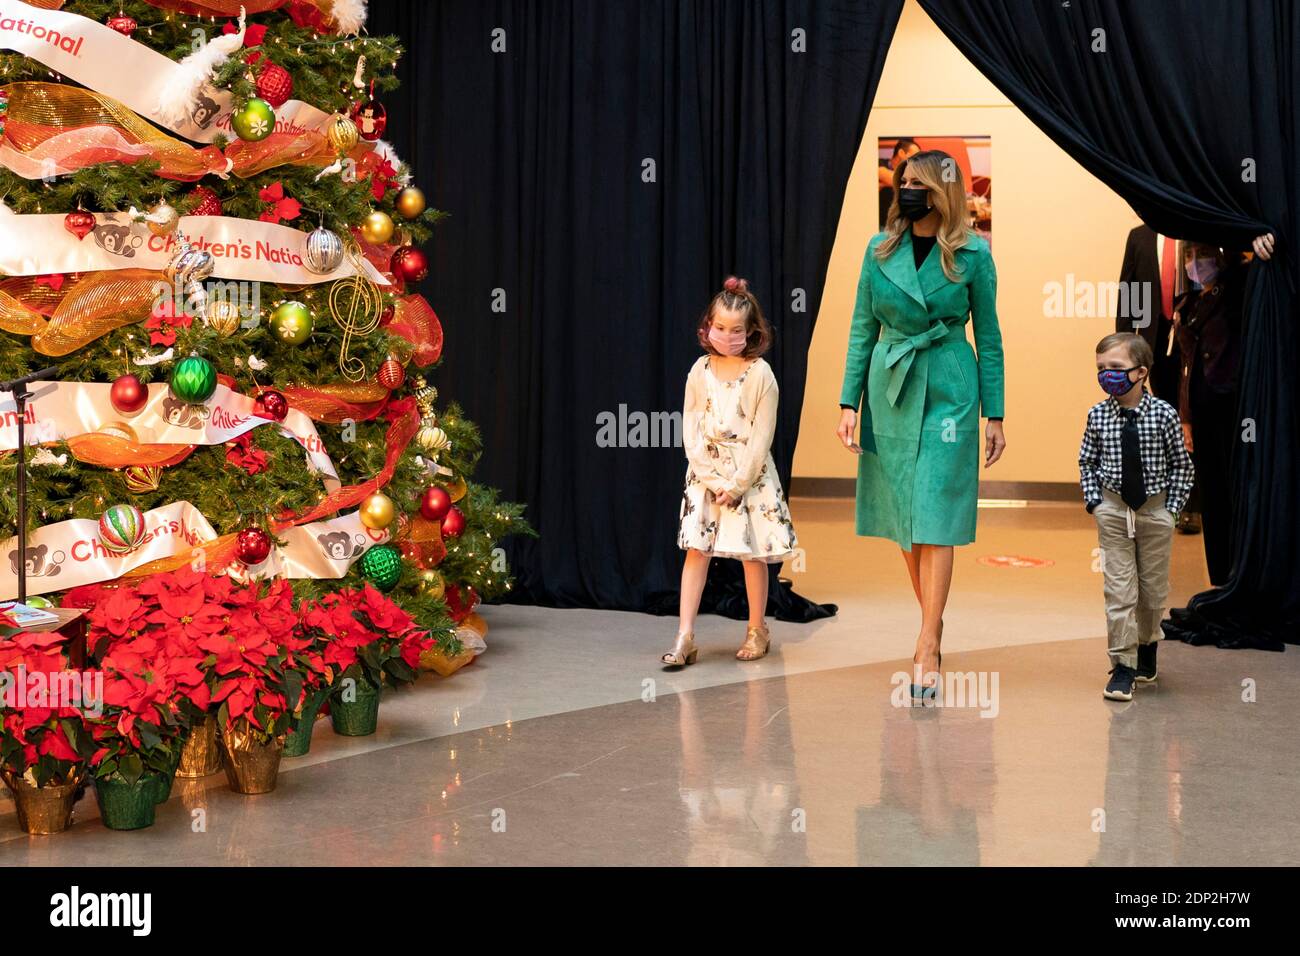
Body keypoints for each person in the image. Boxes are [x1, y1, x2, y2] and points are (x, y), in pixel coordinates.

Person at [836, 149, 1006, 701]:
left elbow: (992, 337)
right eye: (901, 180)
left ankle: (927, 640)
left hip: (951, 388)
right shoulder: (877, 249)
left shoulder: (974, 254)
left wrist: (994, 414)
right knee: (906, 517)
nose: (905, 189)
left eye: (916, 182)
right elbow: (862, 326)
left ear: (942, 190)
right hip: (892, 388)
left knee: (937, 513)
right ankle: (933, 619)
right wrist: (847, 402)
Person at [664, 276, 797, 667]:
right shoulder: (699, 371)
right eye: (720, 328)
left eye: (736, 330)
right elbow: (690, 427)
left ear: (750, 332)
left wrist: (737, 484)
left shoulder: (760, 375)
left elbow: (761, 437)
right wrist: (711, 479)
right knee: (696, 552)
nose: (727, 335)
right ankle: (685, 635)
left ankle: (758, 629)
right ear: (708, 326)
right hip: (707, 479)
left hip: (748, 479)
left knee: (751, 555)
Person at [1079, 332, 1194, 701]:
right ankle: (1123, 667)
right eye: (1101, 368)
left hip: (1155, 510)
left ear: (1141, 372)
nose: (1106, 375)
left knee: (1152, 590)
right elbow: (1087, 461)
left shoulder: (1164, 414)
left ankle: (1147, 649)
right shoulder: (1097, 415)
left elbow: (1182, 465)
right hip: (1113, 510)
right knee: (1119, 589)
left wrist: (1172, 510)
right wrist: (1096, 503)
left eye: (1115, 368)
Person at [1171, 242, 1244, 585]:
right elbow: (1186, 366)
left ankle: (1237, 573)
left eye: (1201, 255)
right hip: (1196, 404)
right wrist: (1185, 416)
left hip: (1230, 406)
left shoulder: (1237, 292)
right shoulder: (1189, 303)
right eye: (1188, 256)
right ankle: (1218, 577)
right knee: (1211, 491)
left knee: (1233, 490)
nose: (1194, 263)